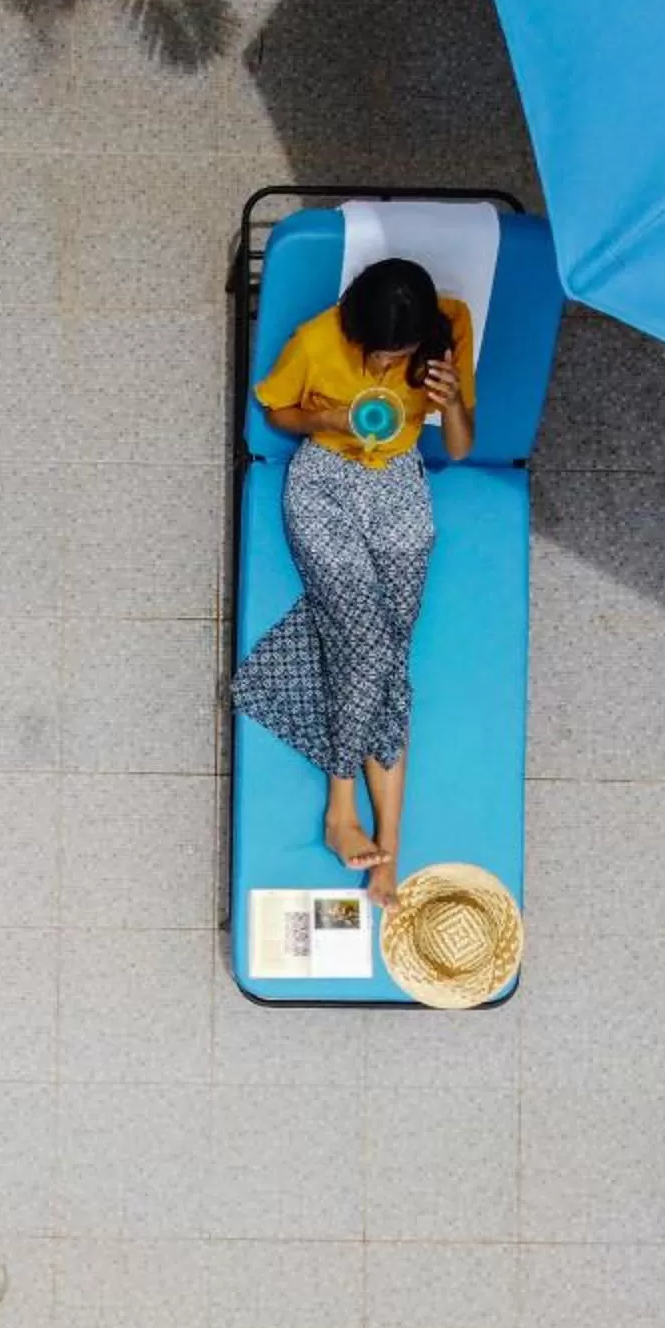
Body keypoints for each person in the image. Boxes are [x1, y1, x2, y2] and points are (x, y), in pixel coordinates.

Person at [231, 257, 476, 907]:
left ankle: (387, 854)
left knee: (388, 657)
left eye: (398, 355)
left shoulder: (449, 328)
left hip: (398, 488)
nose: (384, 366)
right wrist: (327, 421)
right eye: (375, 352)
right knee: (371, 650)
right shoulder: (317, 340)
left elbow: (457, 448)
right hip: (323, 487)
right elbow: (277, 412)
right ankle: (342, 807)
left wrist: (449, 406)